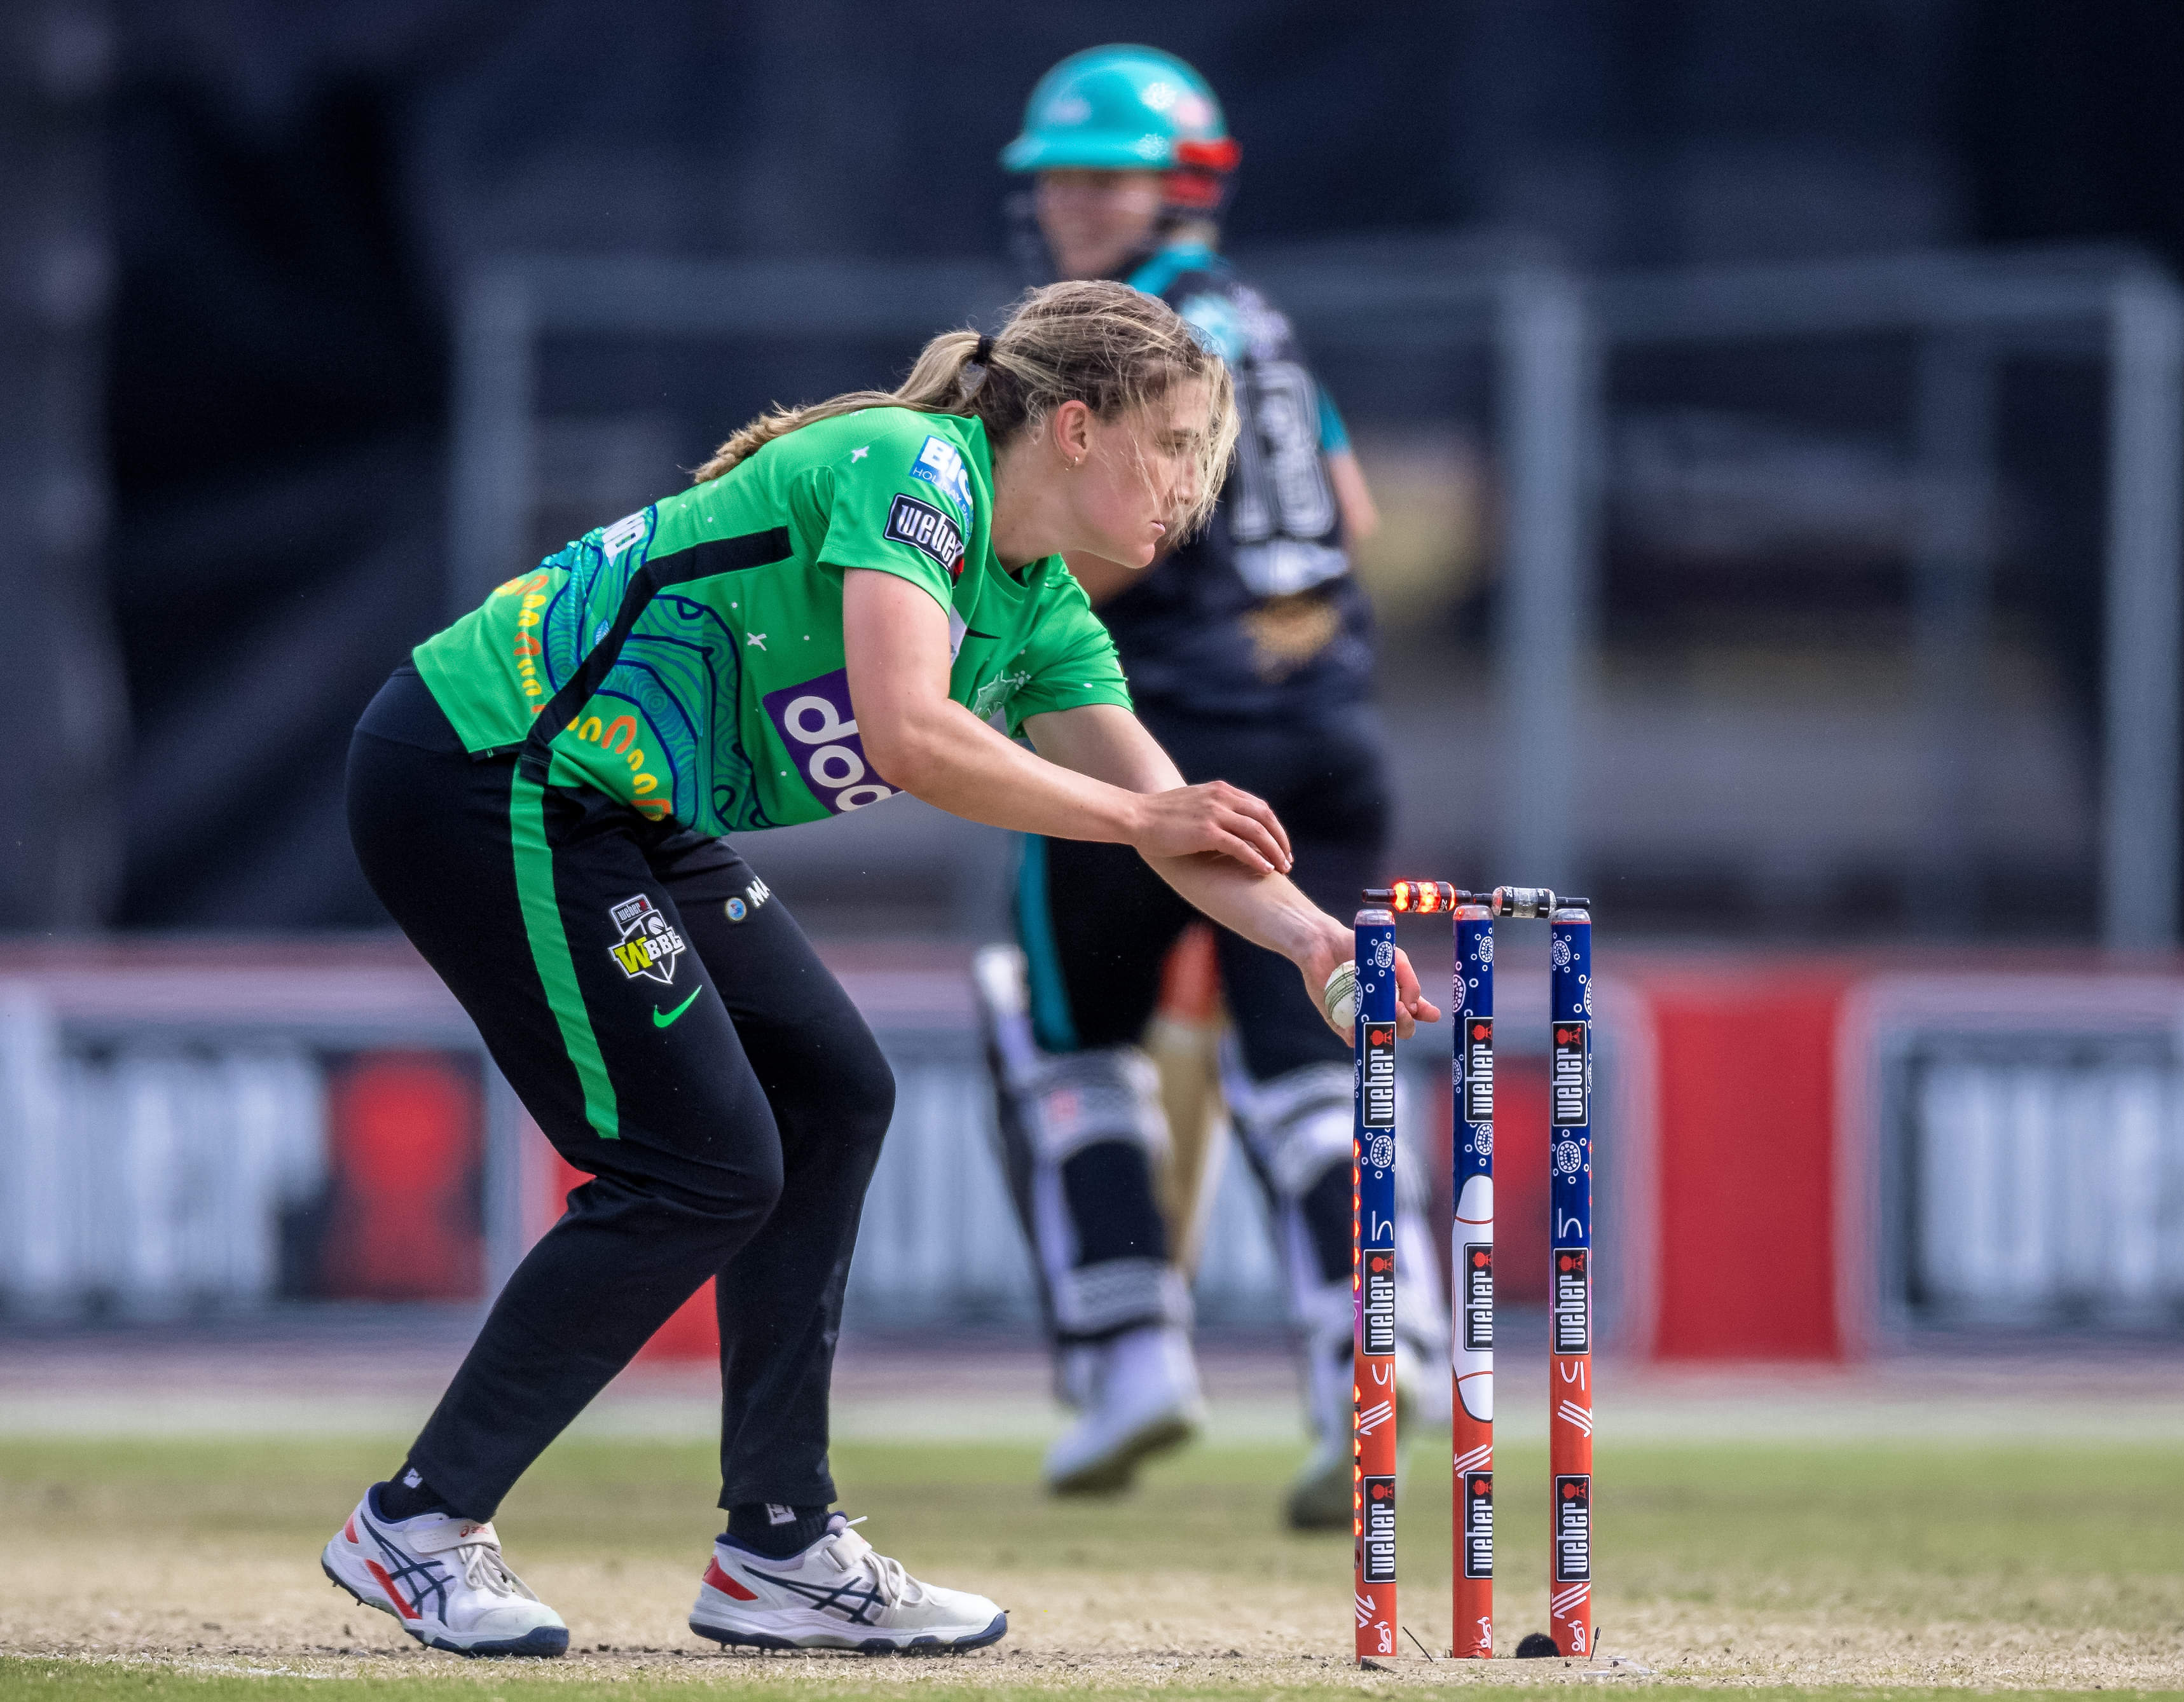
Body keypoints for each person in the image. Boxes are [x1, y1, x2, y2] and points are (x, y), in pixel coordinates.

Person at [326, 277, 1438, 1658]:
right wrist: (1141, 817)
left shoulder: (1042, 612)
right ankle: (420, 1521)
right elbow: (911, 733)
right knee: (699, 1169)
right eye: (1173, 444)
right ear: (1075, 428)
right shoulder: (916, 467)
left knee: (835, 1094)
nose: (1192, 487)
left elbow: (1173, 823)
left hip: (616, 802)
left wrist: (1313, 937)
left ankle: (777, 1546)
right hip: (487, 764)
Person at [972, 45, 1451, 1529]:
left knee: (1066, 1039)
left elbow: (1106, 543)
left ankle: (1128, 1361)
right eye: (1056, 179)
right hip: (1330, 728)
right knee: (1306, 1060)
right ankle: (1381, 1338)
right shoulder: (1263, 320)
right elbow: (1351, 515)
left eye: (1102, 179)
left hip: (1161, 746)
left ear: (1180, 185)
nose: (1070, 204)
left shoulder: (1115, 337)